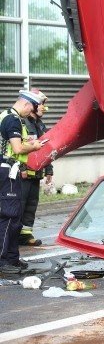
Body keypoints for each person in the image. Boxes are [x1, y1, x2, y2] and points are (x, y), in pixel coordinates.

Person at [0, 90, 44, 274]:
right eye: (31, 108)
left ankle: (12, 258)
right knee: (9, 216)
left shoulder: (10, 116)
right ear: (26, 104)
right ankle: (3, 262)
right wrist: (34, 146)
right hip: (7, 171)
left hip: (14, 170)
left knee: (15, 216)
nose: (31, 113)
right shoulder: (12, 119)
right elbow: (17, 147)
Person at [19, 88, 53, 247]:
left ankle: (25, 235)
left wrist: (49, 170)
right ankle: (10, 235)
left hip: (36, 173)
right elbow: (17, 148)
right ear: (32, 105)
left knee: (31, 204)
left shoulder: (39, 124)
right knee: (18, 204)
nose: (43, 108)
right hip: (22, 173)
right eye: (41, 104)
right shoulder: (21, 122)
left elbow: (47, 148)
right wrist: (22, 168)